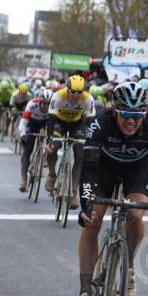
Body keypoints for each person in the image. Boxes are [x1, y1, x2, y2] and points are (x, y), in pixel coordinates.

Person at [72, 81, 148, 296]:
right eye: (125, 113)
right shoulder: (99, 124)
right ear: (115, 110)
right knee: (92, 220)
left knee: (136, 215)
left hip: (138, 169)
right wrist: (86, 205)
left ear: (145, 113)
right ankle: (85, 291)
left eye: (137, 115)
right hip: (103, 168)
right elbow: (88, 169)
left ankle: (128, 266)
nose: (131, 120)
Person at [45, 75, 95, 205]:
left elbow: (91, 122)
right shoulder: (58, 96)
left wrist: (91, 143)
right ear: (67, 90)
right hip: (58, 123)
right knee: (53, 146)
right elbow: (50, 119)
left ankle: (73, 192)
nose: (76, 95)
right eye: (73, 92)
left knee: (80, 154)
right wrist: (50, 140)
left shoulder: (88, 99)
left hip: (77, 125)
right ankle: (51, 174)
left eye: (79, 92)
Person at [18, 88, 52, 192]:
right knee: (26, 151)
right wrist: (23, 134)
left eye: (48, 104)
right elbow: (23, 122)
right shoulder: (32, 104)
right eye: (44, 103)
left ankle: (43, 158)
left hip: (44, 124)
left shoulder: (53, 108)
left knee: (47, 136)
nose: (46, 106)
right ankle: (23, 180)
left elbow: (53, 127)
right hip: (32, 124)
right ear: (40, 101)